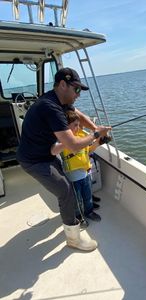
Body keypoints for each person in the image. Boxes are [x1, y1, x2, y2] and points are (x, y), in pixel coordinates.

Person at [16, 67, 111, 252]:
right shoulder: (50, 107)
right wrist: (96, 135)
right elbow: (74, 145)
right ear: (62, 85)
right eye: (76, 89)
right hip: (34, 161)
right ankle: (74, 238)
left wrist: (95, 128)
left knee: (67, 189)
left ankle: (71, 223)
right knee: (66, 191)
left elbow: (79, 115)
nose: (78, 95)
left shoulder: (59, 100)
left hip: (48, 154)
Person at [51, 110, 110, 224]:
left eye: (79, 125)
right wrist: (71, 141)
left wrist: (98, 142)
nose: (78, 128)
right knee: (76, 199)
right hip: (73, 176)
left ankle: (89, 211)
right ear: (65, 126)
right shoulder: (63, 140)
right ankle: (78, 216)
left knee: (88, 196)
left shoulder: (83, 135)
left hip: (85, 172)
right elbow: (55, 150)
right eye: (75, 125)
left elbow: (88, 151)